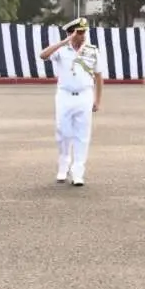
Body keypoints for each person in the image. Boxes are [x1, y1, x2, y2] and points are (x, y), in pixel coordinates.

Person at [39, 17, 105, 186]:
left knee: (82, 135)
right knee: (63, 132)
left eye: (84, 32)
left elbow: (98, 76)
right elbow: (43, 55)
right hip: (64, 96)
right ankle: (63, 165)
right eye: (78, 32)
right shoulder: (61, 50)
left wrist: (97, 100)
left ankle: (78, 172)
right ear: (70, 33)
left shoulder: (92, 50)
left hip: (84, 95)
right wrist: (65, 41)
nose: (82, 36)